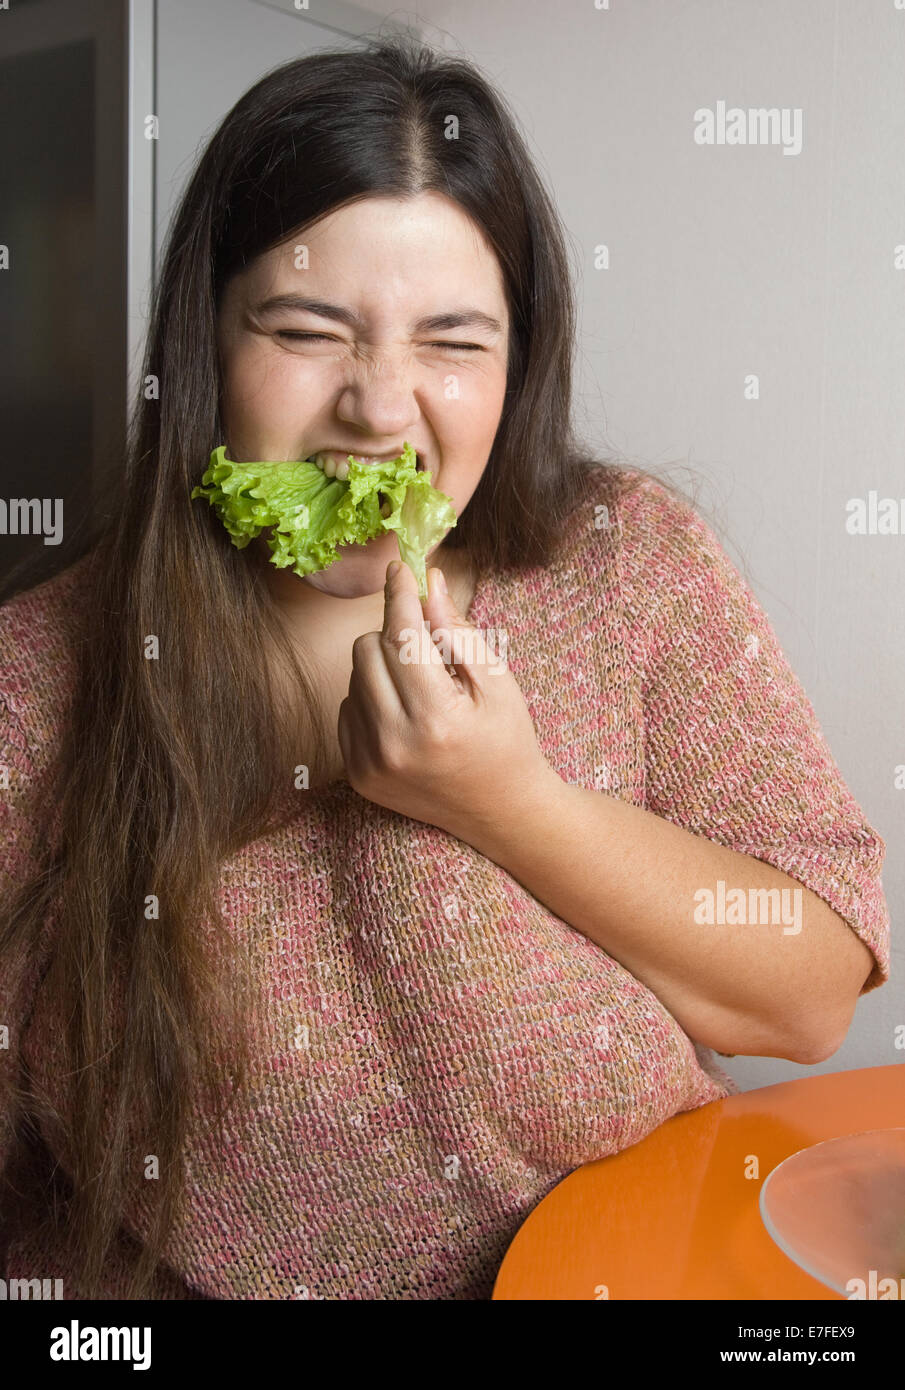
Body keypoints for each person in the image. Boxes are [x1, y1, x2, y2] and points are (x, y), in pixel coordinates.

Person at [0, 37, 889, 1302]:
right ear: (205, 346)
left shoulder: (627, 562)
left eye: (453, 343)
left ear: (518, 362)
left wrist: (510, 803)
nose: (378, 408)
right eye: (307, 328)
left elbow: (806, 999)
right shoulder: (42, 672)